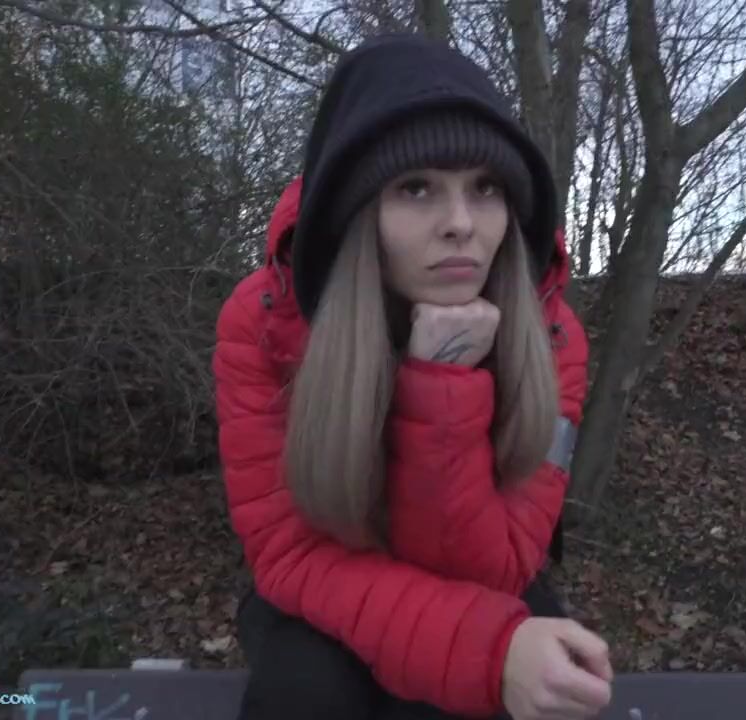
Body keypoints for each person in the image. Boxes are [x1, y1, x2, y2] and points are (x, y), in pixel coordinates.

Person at [212, 32, 613, 720]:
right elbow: (288, 552)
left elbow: (501, 566)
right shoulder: (268, 321)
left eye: (485, 188)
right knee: (306, 692)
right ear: (358, 214)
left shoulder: (551, 338)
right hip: (323, 583)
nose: (460, 224)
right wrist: (486, 652)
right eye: (416, 188)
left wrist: (444, 385)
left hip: (489, 578)